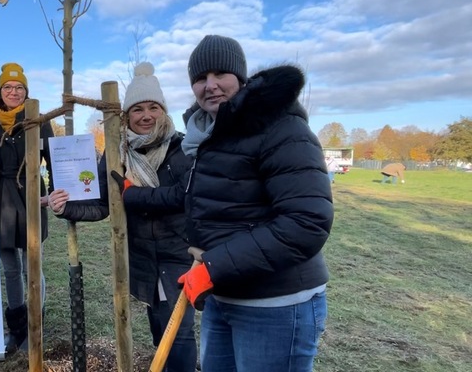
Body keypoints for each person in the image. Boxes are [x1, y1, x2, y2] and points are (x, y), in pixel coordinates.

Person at [177, 35, 333, 372]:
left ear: (241, 77)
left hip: (276, 304)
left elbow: (306, 222)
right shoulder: (208, 137)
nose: (211, 85)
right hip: (224, 295)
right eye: (201, 78)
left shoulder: (283, 128)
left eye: (221, 74)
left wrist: (214, 266)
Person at [48, 62, 197, 371]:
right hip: (142, 257)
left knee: (178, 334)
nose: (146, 116)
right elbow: (103, 205)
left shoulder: (182, 149)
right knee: (160, 330)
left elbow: (185, 197)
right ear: (127, 116)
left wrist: (133, 193)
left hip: (179, 255)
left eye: (153, 107)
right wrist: (66, 207)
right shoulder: (117, 154)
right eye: (137, 109)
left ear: (164, 111)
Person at [0, 62, 54, 353]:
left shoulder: (37, 119)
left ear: (26, 92)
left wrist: (54, 192)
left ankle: (35, 325)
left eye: (19, 88)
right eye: (8, 87)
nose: (13, 92)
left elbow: (54, 158)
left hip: (30, 195)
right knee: (10, 268)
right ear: (0, 90)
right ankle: (16, 329)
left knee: (33, 265)